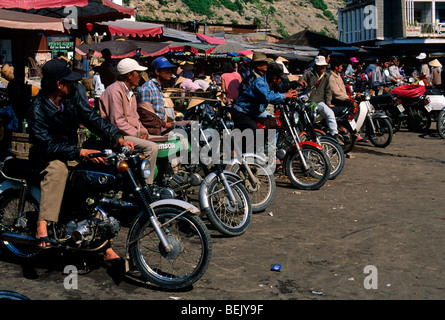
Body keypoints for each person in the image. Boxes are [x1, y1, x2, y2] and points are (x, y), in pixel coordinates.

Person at [28, 58, 134, 263]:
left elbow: (92, 119)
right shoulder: (37, 108)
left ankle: (103, 245)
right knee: (58, 171)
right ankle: (42, 225)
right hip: (47, 156)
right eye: (69, 81)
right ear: (59, 84)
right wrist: (80, 152)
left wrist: (117, 137)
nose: (74, 84)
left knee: (94, 179)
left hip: (72, 152)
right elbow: (47, 145)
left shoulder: (73, 95)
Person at [99, 58, 158, 185]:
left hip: (131, 133)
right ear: (130, 75)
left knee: (165, 140)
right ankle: (147, 185)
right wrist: (137, 134)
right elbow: (117, 122)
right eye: (138, 73)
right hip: (118, 135)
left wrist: (143, 132)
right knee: (151, 147)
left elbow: (135, 117)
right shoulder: (114, 91)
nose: (140, 76)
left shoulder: (130, 92)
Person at [232, 62, 298, 132]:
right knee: (255, 131)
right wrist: (285, 95)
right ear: (275, 79)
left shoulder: (273, 86)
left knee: (276, 124)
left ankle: (271, 143)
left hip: (257, 112)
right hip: (243, 111)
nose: (281, 81)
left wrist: (290, 96)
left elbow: (275, 98)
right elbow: (268, 97)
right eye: (281, 79)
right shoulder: (260, 83)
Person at [302, 56, 344, 146]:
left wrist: (328, 103)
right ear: (316, 66)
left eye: (323, 66)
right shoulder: (308, 74)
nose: (322, 68)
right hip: (307, 102)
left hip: (319, 101)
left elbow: (328, 91)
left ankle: (334, 134)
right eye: (320, 66)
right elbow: (300, 85)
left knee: (329, 113)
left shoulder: (326, 76)